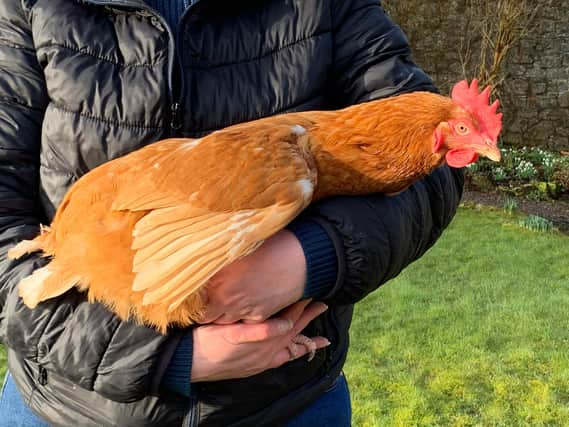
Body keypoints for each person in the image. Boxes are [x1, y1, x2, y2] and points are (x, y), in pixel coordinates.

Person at [0, 0, 464, 426]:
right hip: (65, 403)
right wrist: (168, 356)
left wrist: (309, 258)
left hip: (284, 402)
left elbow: (433, 182)